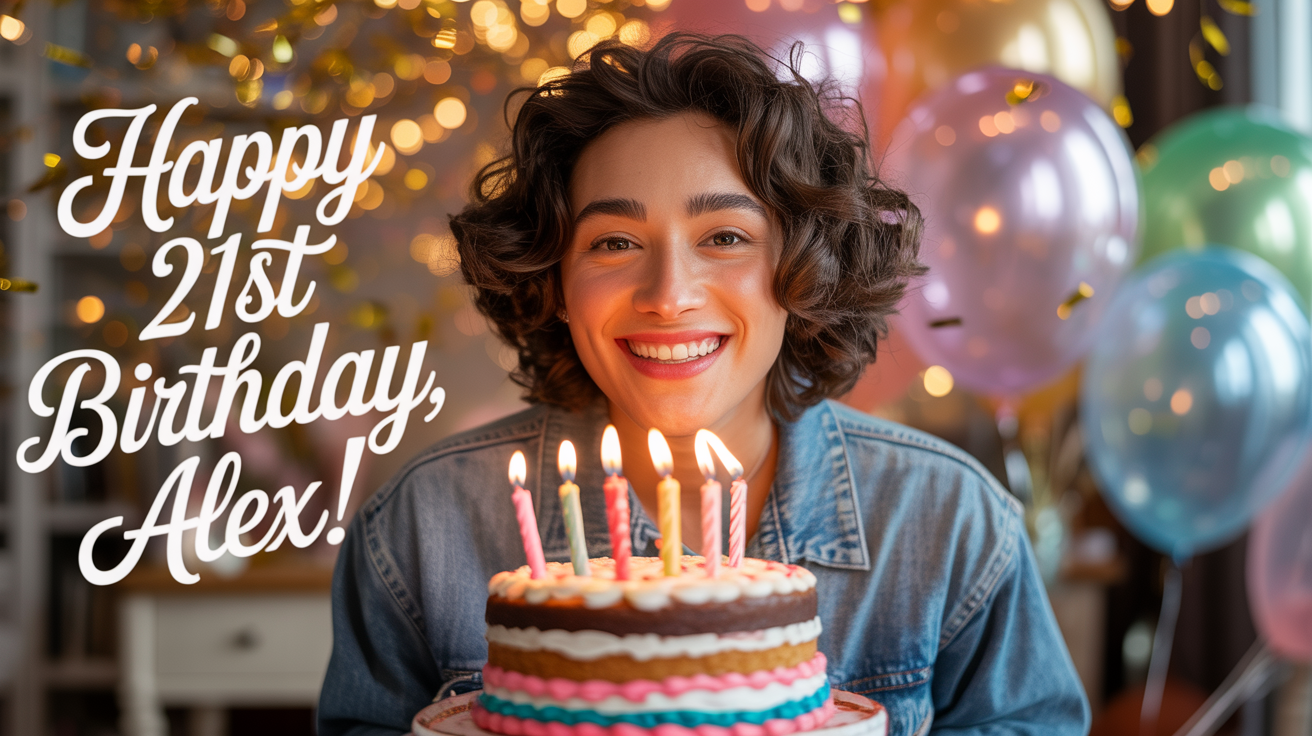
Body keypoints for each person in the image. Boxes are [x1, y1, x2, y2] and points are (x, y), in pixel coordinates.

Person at [318, 33, 1089, 736]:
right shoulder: (420, 528)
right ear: (555, 281)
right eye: (614, 242)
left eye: (724, 236)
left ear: (802, 270)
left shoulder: (950, 524)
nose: (668, 295)